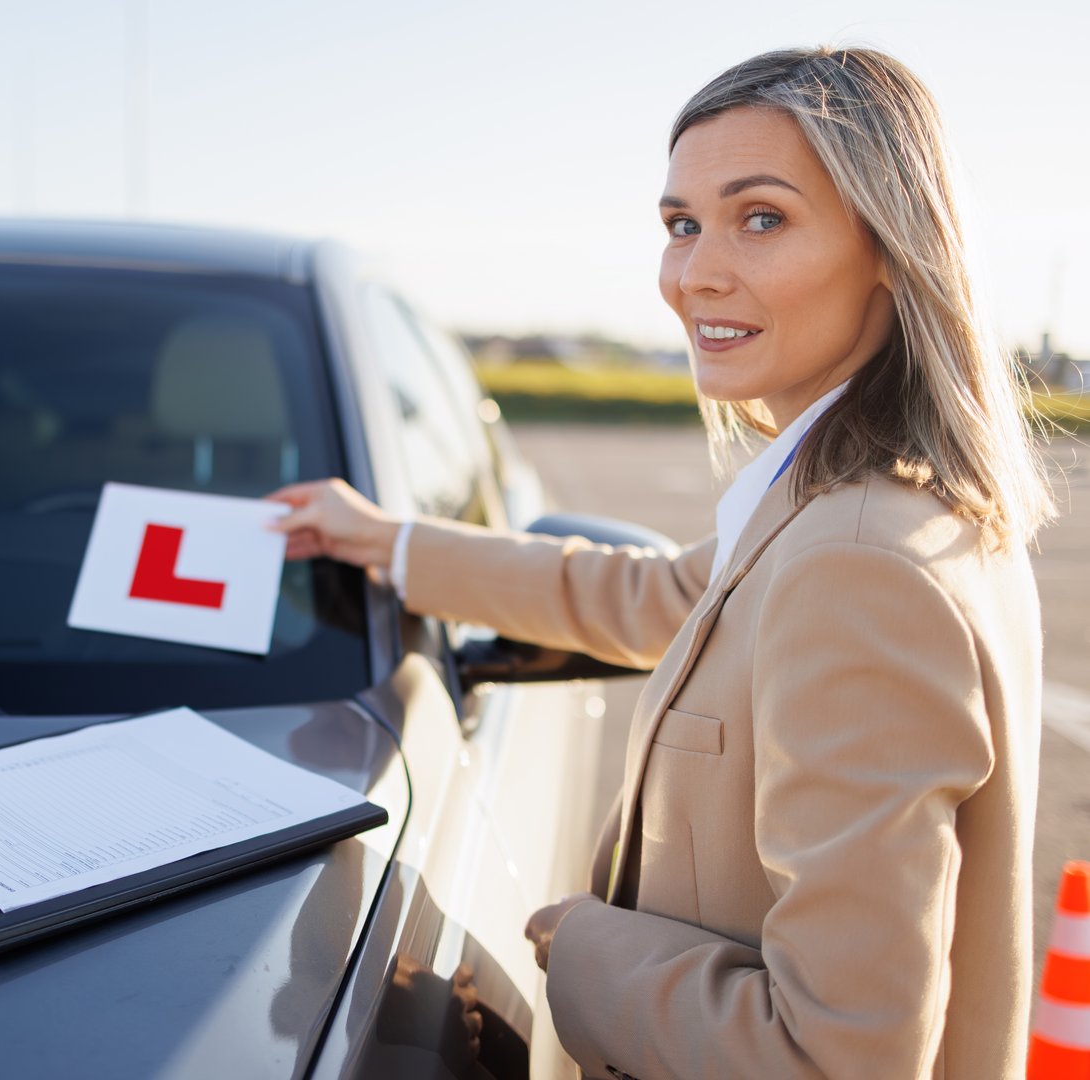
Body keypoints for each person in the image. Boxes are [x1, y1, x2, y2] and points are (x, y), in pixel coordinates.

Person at [266, 46, 1055, 1078]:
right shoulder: (861, 507)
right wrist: (390, 543)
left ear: (892, 249)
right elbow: (659, 595)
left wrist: (583, 947)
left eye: (760, 218)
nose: (696, 273)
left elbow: (839, 1059)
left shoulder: (859, 564)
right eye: (682, 224)